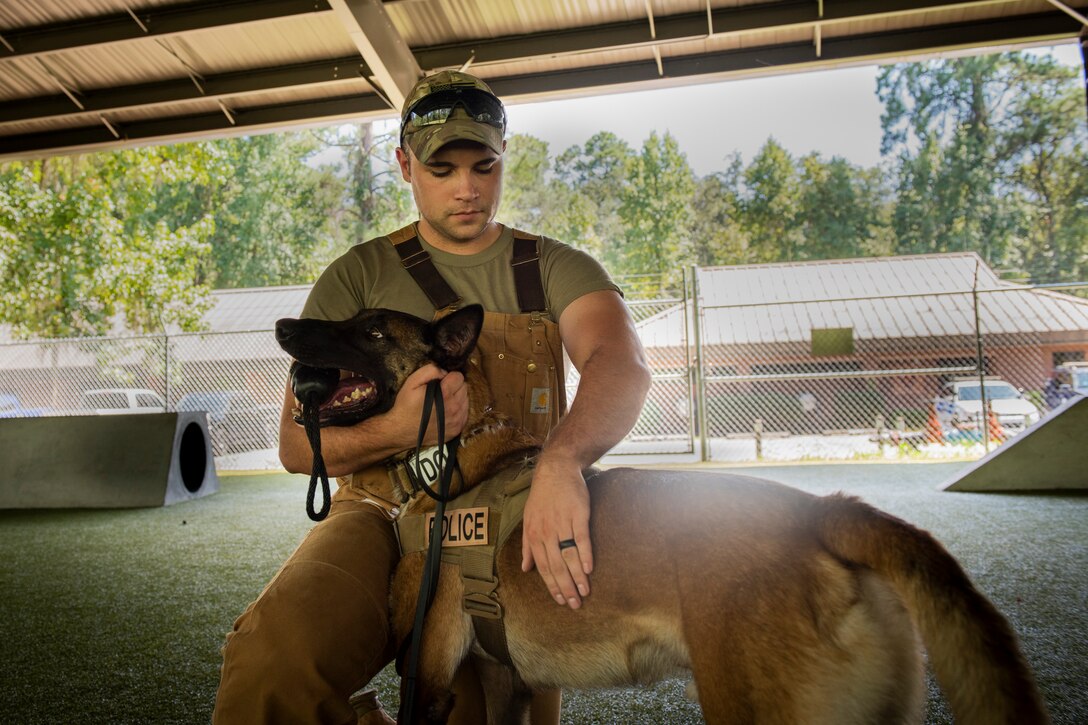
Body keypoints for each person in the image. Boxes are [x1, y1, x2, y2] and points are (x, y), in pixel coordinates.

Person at [212, 70, 650, 724]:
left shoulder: (555, 268)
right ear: (404, 164)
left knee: (487, 707)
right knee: (274, 662)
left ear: (505, 159)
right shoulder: (358, 275)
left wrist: (561, 464)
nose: (467, 187)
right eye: (441, 167)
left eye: (484, 165)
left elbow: (623, 365)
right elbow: (295, 443)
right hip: (379, 514)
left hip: (502, 522)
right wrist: (401, 427)